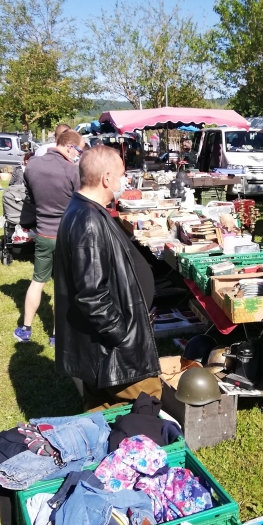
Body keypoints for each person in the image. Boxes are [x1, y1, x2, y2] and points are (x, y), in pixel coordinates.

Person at [55, 145, 160, 410]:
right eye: (122, 175)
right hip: (114, 348)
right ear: (106, 178)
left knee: (104, 412)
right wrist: (123, 337)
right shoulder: (87, 220)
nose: (124, 181)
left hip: (105, 345)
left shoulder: (84, 209)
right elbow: (91, 295)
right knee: (146, 403)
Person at [13, 129, 86, 345]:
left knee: (37, 281)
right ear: (69, 146)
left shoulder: (32, 165)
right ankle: (56, 334)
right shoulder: (71, 170)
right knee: (62, 287)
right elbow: (81, 201)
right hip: (67, 235)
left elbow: (31, 197)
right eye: (78, 151)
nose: (78, 155)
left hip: (43, 233)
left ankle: (25, 328)